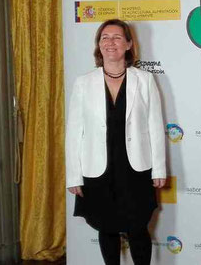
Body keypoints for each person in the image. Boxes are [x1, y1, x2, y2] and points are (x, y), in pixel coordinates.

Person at [66, 19, 166, 265]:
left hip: (136, 169)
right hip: (97, 169)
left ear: (129, 44)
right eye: (104, 37)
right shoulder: (83, 83)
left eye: (117, 37)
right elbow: (73, 132)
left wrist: (159, 168)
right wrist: (73, 176)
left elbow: (155, 126)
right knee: (106, 227)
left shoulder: (144, 80)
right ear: (98, 46)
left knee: (137, 228)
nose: (110, 42)